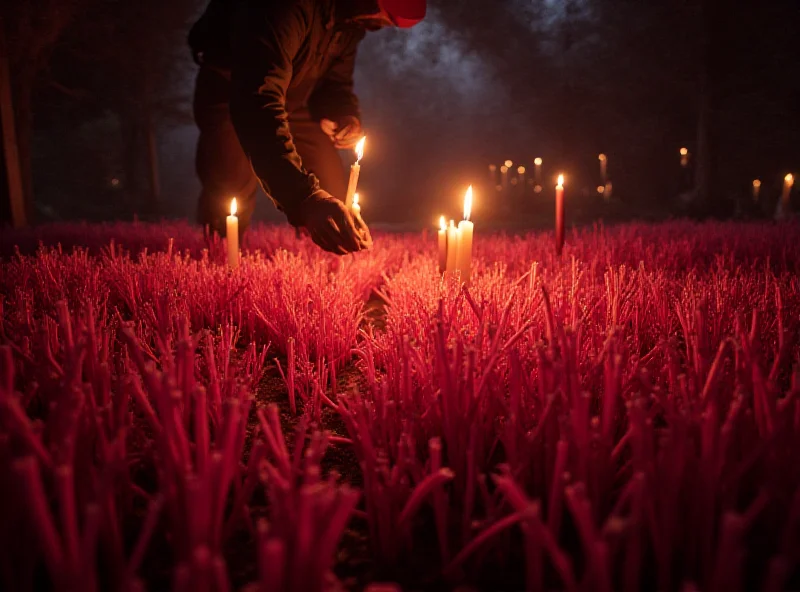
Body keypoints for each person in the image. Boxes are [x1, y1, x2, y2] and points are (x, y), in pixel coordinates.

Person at [188, 0, 426, 254]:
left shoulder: (351, 23)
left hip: (295, 100)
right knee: (230, 184)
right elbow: (257, 98)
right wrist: (304, 199)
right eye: (385, 17)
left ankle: (315, 272)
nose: (382, 25)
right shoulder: (286, 7)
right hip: (235, 91)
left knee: (331, 187)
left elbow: (335, 85)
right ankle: (216, 260)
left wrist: (344, 115)